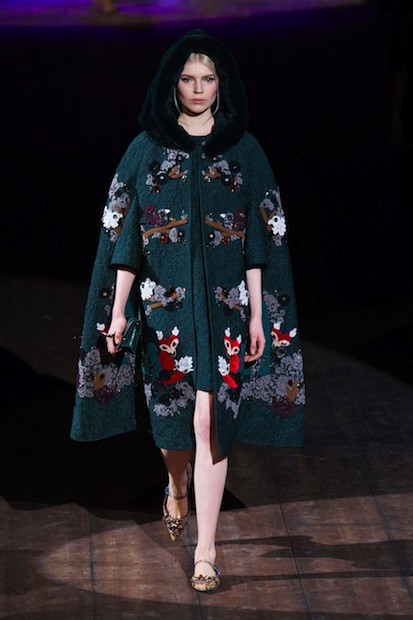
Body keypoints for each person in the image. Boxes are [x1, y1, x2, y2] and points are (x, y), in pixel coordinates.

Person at [71, 29, 305, 592]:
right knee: (174, 427)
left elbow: (260, 239)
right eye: (188, 79)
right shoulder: (146, 149)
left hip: (226, 311)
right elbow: (124, 238)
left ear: (222, 86)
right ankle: (176, 486)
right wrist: (118, 311)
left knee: (210, 422)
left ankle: (206, 550)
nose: (198, 89)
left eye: (208, 79)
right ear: (172, 85)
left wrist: (257, 314)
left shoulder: (244, 150)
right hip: (165, 312)